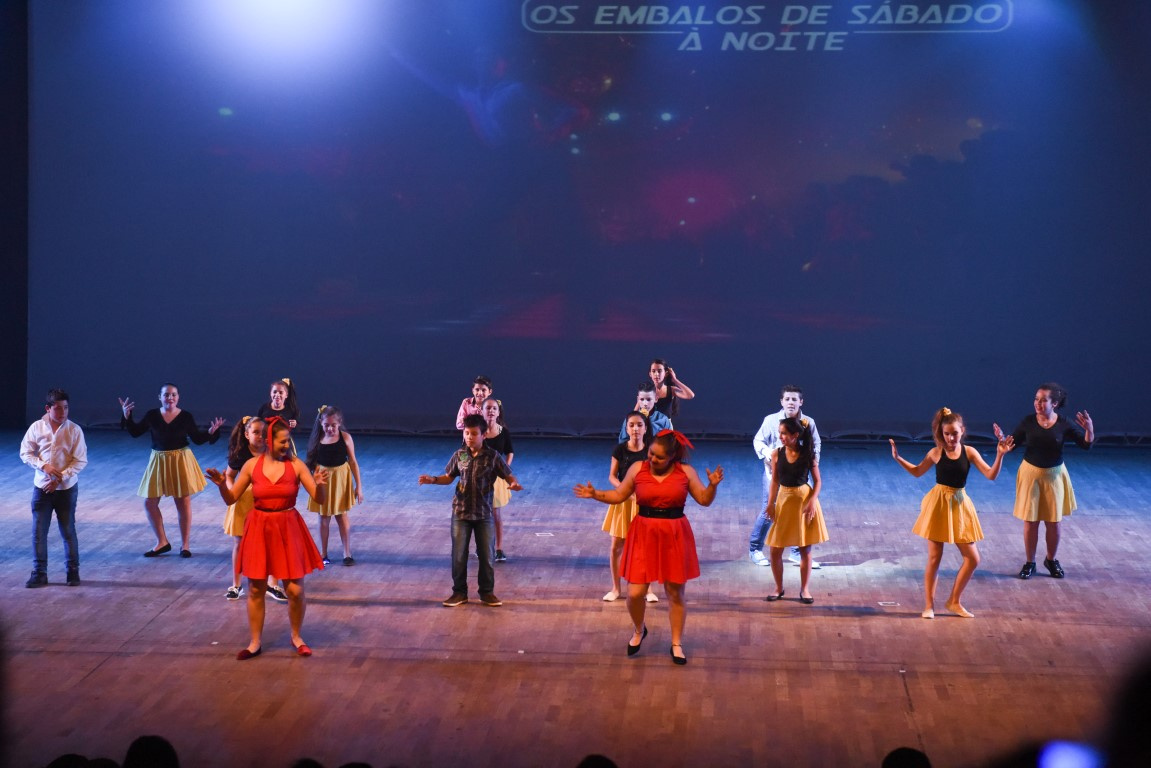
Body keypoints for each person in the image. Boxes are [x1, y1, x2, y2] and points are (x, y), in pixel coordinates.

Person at [574, 430, 724, 665]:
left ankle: (676, 643)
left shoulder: (685, 472)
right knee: (635, 593)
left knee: (675, 593)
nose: (652, 459)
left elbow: (704, 500)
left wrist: (712, 486)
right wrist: (595, 495)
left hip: (674, 534)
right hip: (643, 533)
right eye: (651, 453)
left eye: (659, 457)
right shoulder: (638, 469)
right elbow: (619, 495)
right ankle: (639, 629)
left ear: (672, 456)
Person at [205, 417, 328, 659]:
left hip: (288, 528)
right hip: (259, 528)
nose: (287, 445)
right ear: (269, 441)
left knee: (295, 590)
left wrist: (321, 485)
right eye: (283, 441)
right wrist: (221, 485)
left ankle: (296, 637)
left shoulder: (296, 465)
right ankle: (255, 642)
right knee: (255, 589)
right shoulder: (251, 465)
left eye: (288, 441)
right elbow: (231, 499)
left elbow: (319, 498)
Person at [890, 408, 1014, 619]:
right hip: (939, 504)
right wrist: (898, 458)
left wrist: (1000, 455)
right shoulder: (936, 452)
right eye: (946, 434)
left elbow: (991, 475)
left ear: (962, 431)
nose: (950, 438)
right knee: (934, 558)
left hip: (959, 504)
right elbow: (918, 471)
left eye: (954, 433)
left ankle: (954, 601)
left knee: (972, 558)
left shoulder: (970, 452)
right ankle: (929, 606)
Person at [419, 413, 522, 607]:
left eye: (474, 433)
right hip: (461, 513)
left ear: (483, 435)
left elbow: (509, 475)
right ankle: (459, 593)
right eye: (467, 433)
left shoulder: (492, 456)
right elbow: (449, 477)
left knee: (487, 556)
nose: (469, 437)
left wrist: (514, 483)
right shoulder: (460, 455)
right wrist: (433, 479)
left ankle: (487, 593)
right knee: (458, 556)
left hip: (484, 514)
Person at [1001, 382, 1093, 580]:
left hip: (1054, 476)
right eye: (1036, 399)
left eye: (1043, 400)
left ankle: (1051, 560)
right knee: (1031, 521)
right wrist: (1003, 442)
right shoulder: (1028, 422)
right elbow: (1012, 444)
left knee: (1054, 522)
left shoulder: (1064, 423)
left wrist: (1089, 430)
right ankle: (1030, 562)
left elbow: (1085, 444)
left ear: (1055, 404)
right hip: (1031, 475)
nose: (1038, 403)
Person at [119, 384, 224, 557]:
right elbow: (136, 432)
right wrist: (127, 416)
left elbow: (197, 439)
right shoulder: (152, 415)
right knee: (149, 502)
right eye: (166, 395)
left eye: (173, 395)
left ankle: (185, 545)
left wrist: (210, 432)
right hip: (159, 460)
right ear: (159, 397)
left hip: (180, 459)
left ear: (178, 397)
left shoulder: (185, 416)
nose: (170, 398)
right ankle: (162, 542)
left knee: (182, 502)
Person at [20, 388, 88, 588]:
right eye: (58, 408)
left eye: (65, 408)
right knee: (39, 532)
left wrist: (60, 477)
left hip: (66, 489)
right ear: (48, 409)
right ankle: (39, 572)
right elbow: (25, 452)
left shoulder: (74, 430)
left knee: (68, 530)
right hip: (42, 487)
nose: (63, 412)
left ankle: (72, 571)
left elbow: (80, 460)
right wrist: (44, 466)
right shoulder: (37, 427)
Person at [749, 385, 821, 568]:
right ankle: (755, 549)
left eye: (794, 399)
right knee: (770, 509)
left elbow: (816, 444)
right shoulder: (771, 420)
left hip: (800, 478)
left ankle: (796, 553)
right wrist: (769, 454)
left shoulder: (808, 422)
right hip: (776, 475)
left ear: (801, 402)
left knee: (801, 513)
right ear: (781, 401)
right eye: (787, 399)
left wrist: (811, 461)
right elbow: (758, 440)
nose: (791, 402)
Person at [764, 417, 827, 604]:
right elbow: (775, 480)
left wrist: (812, 501)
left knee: (804, 548)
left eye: (784, 433)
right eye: (780, 433)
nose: (780, 436)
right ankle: (778, 588)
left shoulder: (807, 455)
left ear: (795, 435)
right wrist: (770, 503)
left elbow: (818, 481)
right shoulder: (777, 454)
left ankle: (805, 589)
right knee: (775, 549)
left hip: (803, 502)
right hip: (784, 500)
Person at [600, 411, 658, 604]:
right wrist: (625, 490)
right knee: (616, 546)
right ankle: (616, 588)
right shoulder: (620, 450)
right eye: (631, 425)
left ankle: (648, 589)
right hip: (622, 501)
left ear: (645, 428)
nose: (635, 429)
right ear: (626, 428)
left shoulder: (651, 451)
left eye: (639, 425)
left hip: (644, 503)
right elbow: (612, 476)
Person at [305, 405, 364, 566]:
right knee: (323, 517)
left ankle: (347, 553)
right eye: (326, 425)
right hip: (323, 480)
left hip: (340, 479)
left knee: (341, 515)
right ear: (321, 423)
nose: (330, 429)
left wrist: (358, 486)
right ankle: (323, 553)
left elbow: (353, 462)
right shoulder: (317, 440)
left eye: (333, 425)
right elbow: (310, 463)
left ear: (339, 423)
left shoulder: (345, 438)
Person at [480, 397, 513, 562]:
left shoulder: (503, 432)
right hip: (479, 477)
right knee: (480, 515)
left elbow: (509, 451)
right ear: (482, 411)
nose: (491, 411)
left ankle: (499, 548)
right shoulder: (476, 431)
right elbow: (466, 450)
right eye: (488, 408)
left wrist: (504, 468)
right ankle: (482, 547)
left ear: (498, 412)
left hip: (496, 477)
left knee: (496, 513)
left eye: (494, 408)